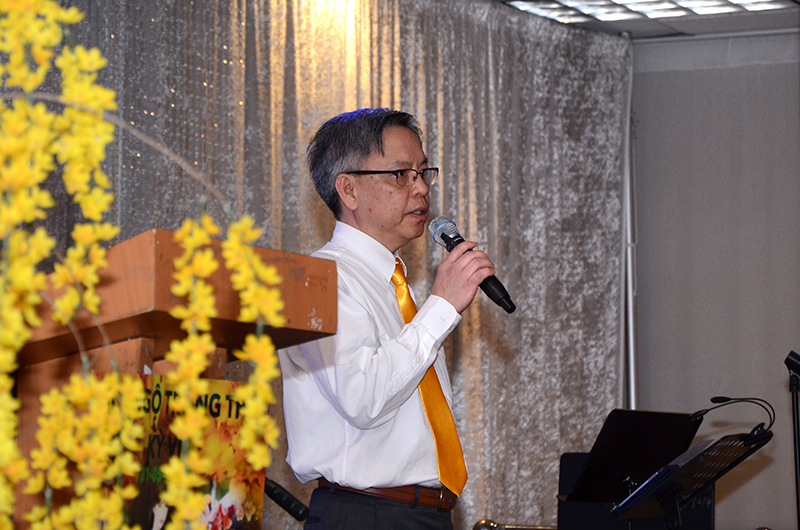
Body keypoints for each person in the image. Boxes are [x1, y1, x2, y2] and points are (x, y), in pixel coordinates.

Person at [278, 108, 496, 530]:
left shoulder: (396, 287)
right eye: (400, 174)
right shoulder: (317, 280)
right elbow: (363, 399)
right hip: (367, 515)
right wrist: (442, 306)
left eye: (422, 172)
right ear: (349, 190)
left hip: (424, 514)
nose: (421, 188)